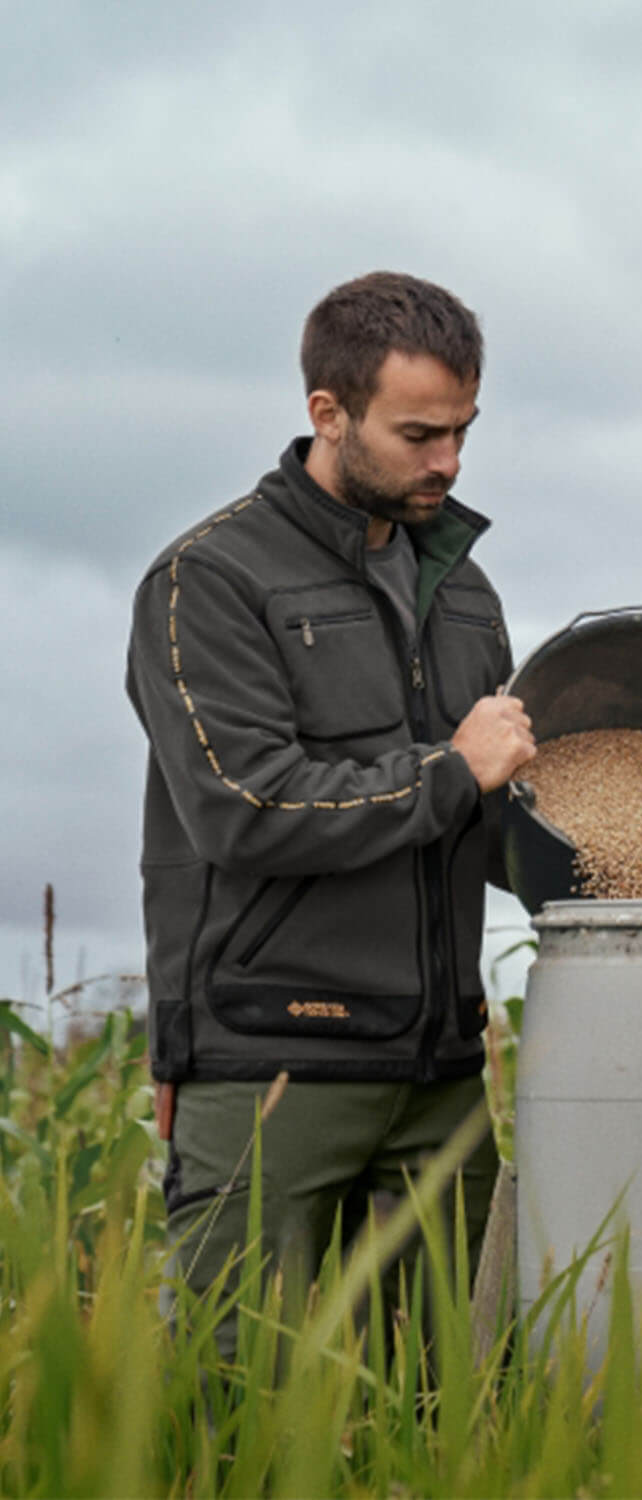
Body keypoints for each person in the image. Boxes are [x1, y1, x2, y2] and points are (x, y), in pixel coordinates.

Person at [126, 271, 536, 1353]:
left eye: (463, 431)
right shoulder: (206, 580)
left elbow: (486, 817)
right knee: (229, 1416)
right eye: (418, 434)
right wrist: (453, 771)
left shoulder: (464, 591)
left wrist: (620, 860)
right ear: (328, 413)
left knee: (461, 1411)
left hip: (441, 1078)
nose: (448, 461)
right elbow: (246, 808)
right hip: (270, 1067)